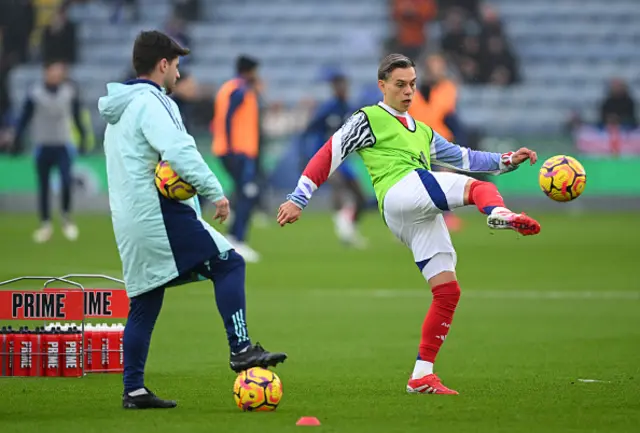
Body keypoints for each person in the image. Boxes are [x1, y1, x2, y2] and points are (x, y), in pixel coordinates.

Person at [276, 53, 540, 395]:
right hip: (401, 190)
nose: (408, 91)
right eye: (400, 85)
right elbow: (330, 153)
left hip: (412, 215)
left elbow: (464, 157)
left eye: (412, 85)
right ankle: (499, 214)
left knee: (447, 292)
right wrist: (299, 198)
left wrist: (507, 160)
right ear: (382, 86)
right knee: (480, 189)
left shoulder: (422, 130)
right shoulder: (368, 118)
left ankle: (421, 374)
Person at [98, 30, 286, 409]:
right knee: (230, 263)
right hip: (159, 215)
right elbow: (180, 150)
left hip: (129, 220)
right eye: (177, 65)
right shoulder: (154, 101)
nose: (180, 75)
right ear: (163, 64)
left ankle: (133, 390)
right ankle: (241, 349)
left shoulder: (117, 112)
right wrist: (213, 190)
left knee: (144, 301)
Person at [12, 60, 85, 243]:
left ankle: (66, 219)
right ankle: (45, 223)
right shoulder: (35, 93)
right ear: (46, 72)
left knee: (66, 181)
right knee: (43, 187)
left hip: (63, 144)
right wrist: (17, 138)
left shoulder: (69, 92)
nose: (56, 74)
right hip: (42, 145)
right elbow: (24, 118)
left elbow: (77, 116)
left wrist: (83, 136)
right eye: (53, 70)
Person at [299, 70, 369, 247]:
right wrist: (307, 155)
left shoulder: (349, 108)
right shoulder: (327, 109)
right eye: (339, 85)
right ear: (333, 88)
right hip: (326, 158)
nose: (342, 88)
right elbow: (309, 131)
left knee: (361, 196)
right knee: (337, 185)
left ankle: (349, 228)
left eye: (344, 85)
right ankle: (341, 223)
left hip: (344, 159)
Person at [211, 55, 262, 262]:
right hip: (237, 152)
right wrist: (232, 148)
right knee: (248, 193)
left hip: (234, 151)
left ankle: (233, 237)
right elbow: (229, 118)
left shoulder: (228, 87)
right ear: (249, 71)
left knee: (243, 193)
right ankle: (236, 239)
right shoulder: (240, 90)